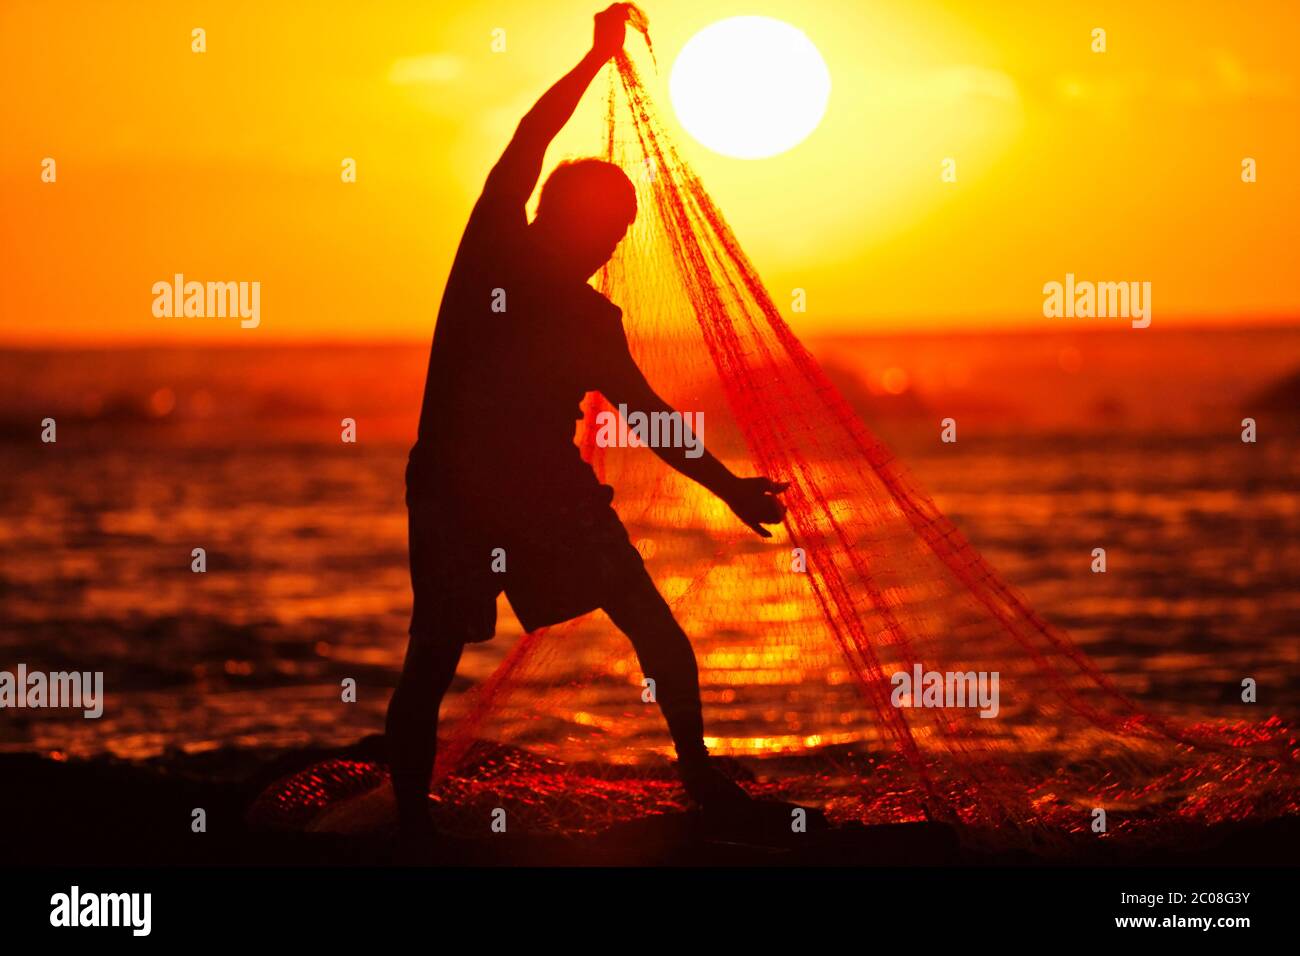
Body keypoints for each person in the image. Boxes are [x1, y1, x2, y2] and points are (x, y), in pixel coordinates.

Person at [386, 3, 789, 838]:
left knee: (654, 627)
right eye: (604, 229)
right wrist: (595, 56)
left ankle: (700, 783)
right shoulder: (495, 244)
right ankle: (409, 823)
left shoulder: (592, 322)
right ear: (558, 213)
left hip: (543, 493)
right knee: (431, 658)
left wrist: (730, 490)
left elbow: (652, 420)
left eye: (621, 235)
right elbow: (531, 136)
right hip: (459, 494)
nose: (611, 247)